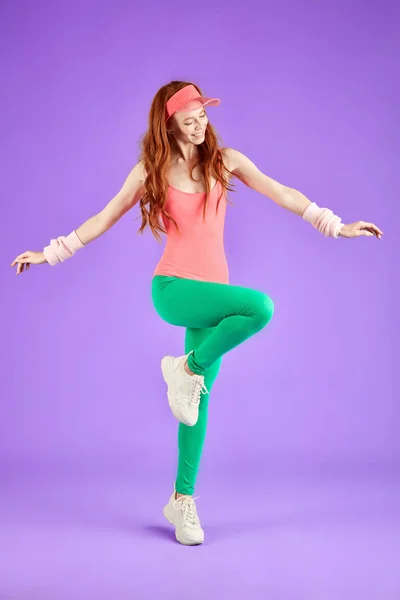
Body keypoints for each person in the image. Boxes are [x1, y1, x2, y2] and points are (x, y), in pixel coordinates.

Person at [10, 81, 383, 546]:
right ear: (170, 125)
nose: (200, 126)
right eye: (190, 120)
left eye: (203, 117)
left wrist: (336, 226)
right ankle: (186, 368)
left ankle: (181, 500)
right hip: (172, 287)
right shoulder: (151, 170)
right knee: (259, 308)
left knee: (195, 405)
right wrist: (50, 254)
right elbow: (102, 219)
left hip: (213, 294)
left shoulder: (227, 161)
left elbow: (282, 192)